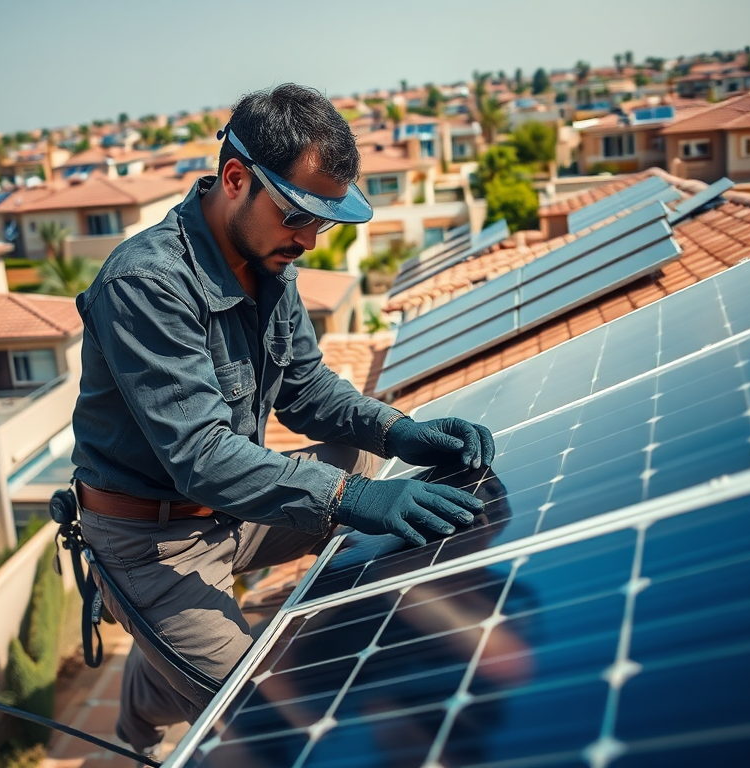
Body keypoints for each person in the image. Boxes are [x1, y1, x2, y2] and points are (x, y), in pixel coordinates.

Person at [69, 83, 495, 755]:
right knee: (266, 723)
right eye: (298, 215)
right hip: (149, 544)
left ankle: (163, 660)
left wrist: (400, 431)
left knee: (359, 460)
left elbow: (307, 389)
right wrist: (354, 500)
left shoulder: (271, 262)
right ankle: (148, 698)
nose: (309, 241)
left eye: (321, 223)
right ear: (234, 179)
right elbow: (203, 456)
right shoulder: (144, 285)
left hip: (231, 518)